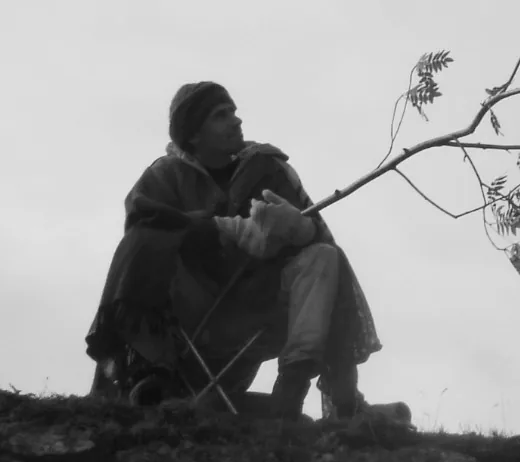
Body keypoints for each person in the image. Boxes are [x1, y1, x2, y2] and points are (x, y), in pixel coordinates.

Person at [84, 81, 384, 421]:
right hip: (187, 321)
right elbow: (141, 240)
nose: (236, 121)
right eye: (220, 116)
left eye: (234, 113)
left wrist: (301, 229)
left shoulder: (268, 168)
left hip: (255, 310)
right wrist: (224, 229)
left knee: (324, 257)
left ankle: (292, 386)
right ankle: (149, 373)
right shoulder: (163, 176)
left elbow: (322, 242)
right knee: (147, 242)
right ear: (193, 134)